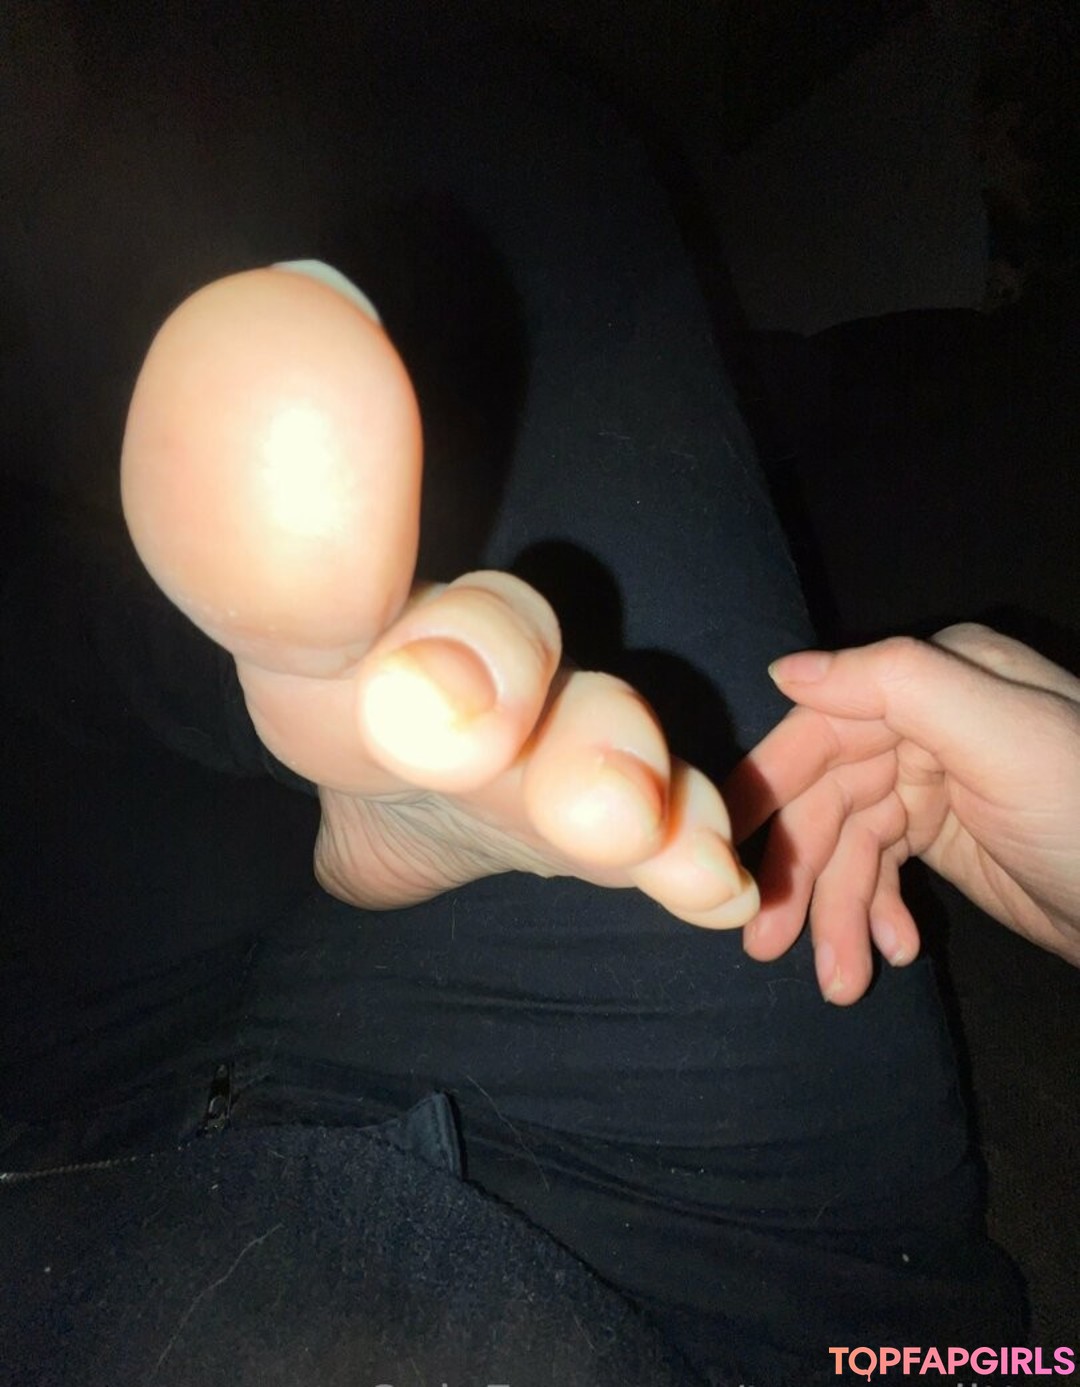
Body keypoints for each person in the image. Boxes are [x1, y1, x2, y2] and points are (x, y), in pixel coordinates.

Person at [2, 8, 1076, 1386]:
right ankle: (318, 700)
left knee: (65, 637)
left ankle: (296, 690)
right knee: (516, 154)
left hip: (72, 1160)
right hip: (726, 1257)